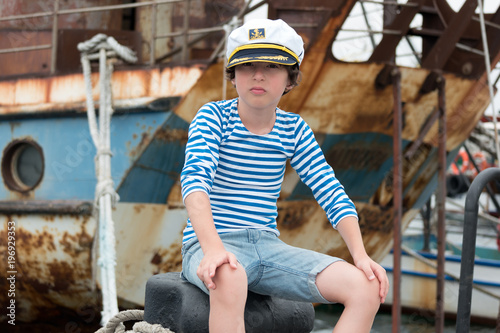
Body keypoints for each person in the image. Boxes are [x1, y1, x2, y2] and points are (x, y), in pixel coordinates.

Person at [180, 18, 389, 333]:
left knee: (367, 287)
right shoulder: (213, 118)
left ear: (290, 80)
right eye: (248, 66)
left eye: (272, 67)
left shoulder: (294, 129)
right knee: (230, 276)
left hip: (268, 246)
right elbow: (195, 184)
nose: (259, 75)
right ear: (233, 76)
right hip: (210, 243)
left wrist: (360, 255)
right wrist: (213, 250)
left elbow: (330, 191)